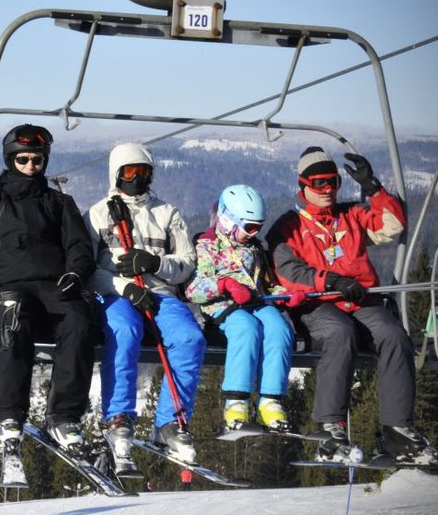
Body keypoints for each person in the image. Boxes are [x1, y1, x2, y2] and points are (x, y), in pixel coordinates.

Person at [266, 147, 436, 464]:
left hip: (359, 299)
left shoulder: (350, 216)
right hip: (317, 303)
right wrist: (329, 281)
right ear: (302, 186)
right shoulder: (289, 226)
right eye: (319, 183)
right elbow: (288, 271)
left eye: (333, 181)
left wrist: (372, 187)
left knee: (394, 335)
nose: (328, 189)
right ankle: (331, 429)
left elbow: (392, 224)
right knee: (340, 333)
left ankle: (397, 431)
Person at [0, 124, 96, 456]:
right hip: (9, 288)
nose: (31, 167)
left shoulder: (59, 203)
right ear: (10, 159)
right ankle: (10, 414)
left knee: (80, 321)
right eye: (24, 160)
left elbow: (79, 248)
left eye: (37, 161)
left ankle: (64, 415)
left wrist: (75, 274)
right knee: (13, 317)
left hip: (53, 287)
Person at [84, 142, 204, 465]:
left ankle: (168, 422)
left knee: (189, 338)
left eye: (144, 172)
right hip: (116, 295)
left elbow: (186, 262)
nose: (137, 179)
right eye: (130, 172)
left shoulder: (167, 214)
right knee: (124, 330)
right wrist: (124, 287)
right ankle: (118, 416)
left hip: (160, 293)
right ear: (117, 175)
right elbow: (87, 270)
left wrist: (154, 264)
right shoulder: (98, 214)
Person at [185, 185, 300, 431]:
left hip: (256, 302)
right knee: (246, 329)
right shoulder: (206, 245)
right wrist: (224, 284)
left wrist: (286, 295)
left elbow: (266, 284)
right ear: (228, 220)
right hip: (224, 305)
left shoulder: (255, 248)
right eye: (250, 227)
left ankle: (271, 400)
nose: (254, 233)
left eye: (259, 226)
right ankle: (236, 402)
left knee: (280, 329)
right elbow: (193, 289)